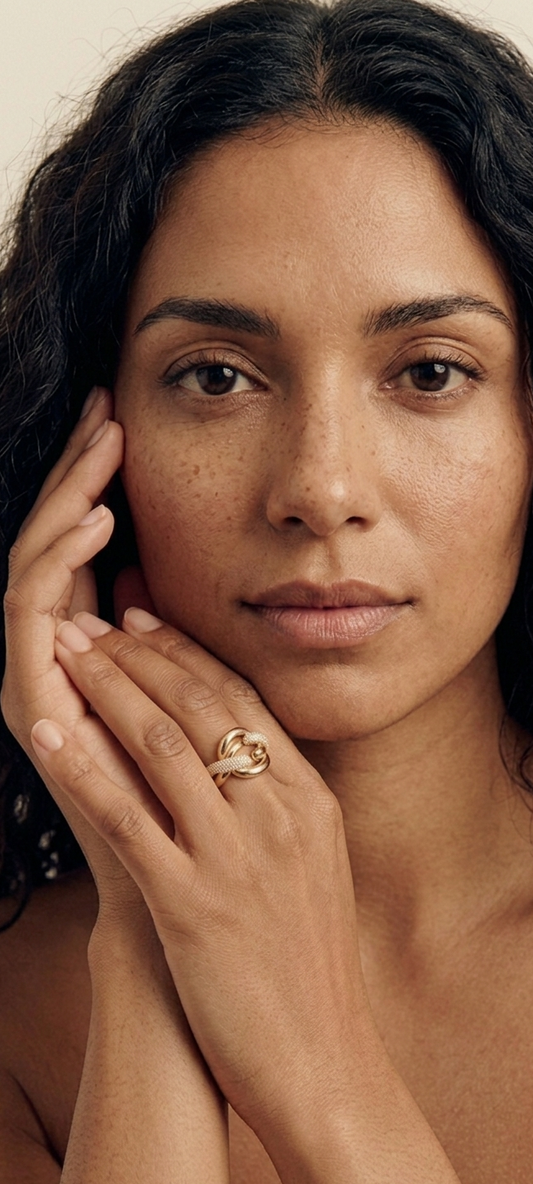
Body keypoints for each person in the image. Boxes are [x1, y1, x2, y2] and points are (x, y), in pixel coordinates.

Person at [2, 0, 533, 1178]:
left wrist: (321, 1074)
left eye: (431, 370)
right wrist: (149, 928)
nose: (320, 485)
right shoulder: (14, 1020)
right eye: (216, 376)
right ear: (89, 433)